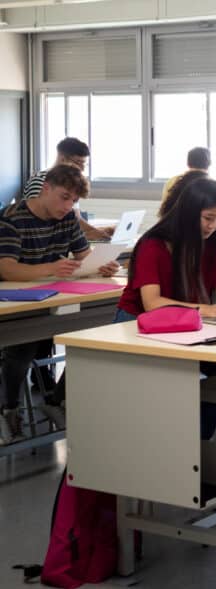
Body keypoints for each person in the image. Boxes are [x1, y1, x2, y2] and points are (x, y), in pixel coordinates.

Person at [0, 165, 120, 443]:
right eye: (64, 197)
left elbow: (83, 254)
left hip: (56, 295)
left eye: (74, 201)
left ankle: (57, 399)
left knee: (91, 340)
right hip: (18, 302)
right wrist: (51, 267)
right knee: (21, 350)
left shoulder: (67, 219)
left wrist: (100, 266)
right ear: (45, 189)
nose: (68, 206)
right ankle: (10, 409)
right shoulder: (11, 219)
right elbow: (7, 269)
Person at [115, 176, 216, 440]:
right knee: (174, 384)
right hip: (137, 325)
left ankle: (194, 442)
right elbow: (152, 303)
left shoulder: (210, 243)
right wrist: (204, 310)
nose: (213, 226)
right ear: (189, 212)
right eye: (207, 218)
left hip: (184, 326)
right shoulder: (153, 244)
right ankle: (178, 445)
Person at [20, 137, 113, 241]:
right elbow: (38, 227)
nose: (82, 169)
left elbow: (73, 218)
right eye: (78, 162)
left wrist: (96, 231)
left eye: (84, 164)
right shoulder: (40, 181)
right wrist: (91, 233)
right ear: (62, 159)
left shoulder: (71, 183)